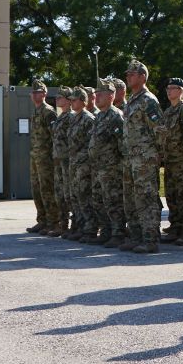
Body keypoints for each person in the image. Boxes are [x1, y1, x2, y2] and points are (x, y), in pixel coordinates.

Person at [123, 60, 164, 253]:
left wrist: (154, 156)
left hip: (145, 159)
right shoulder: (132, 100)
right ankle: (136, 235)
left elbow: (159, 131)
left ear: (142, 77)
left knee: (146, 198)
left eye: (132, 74)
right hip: (131, 157)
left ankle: (150, 239)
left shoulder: (149, 100)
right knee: (132, 198)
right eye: (128, 74)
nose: (128, 77)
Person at [87, 78, 127, 246]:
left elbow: (122, 144)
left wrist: (119, 167)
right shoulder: (99, 115)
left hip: (111, 168)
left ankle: (118, 233)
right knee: (98, 200)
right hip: (98, 167)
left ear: (111, 96)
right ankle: (106, 230)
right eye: (96, 94)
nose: (97, 97)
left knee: (113, 201)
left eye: (101, 94)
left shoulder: (115, 116)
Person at [159, 77, 183, 245]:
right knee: (172, 196)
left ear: (182, 91)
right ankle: (176, 228)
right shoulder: (168, 112)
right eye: (168, 88)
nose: (169, 91)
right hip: (170, 162)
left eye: (173, 88)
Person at [26, 80, 61, 235]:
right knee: (36, 189)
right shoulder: (35, 111)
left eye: (38, 92)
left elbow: (55, 136)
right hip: (35, 156)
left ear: (45, 94)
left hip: (46, 158)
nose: (35, 95)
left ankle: (53, 221)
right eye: (33, 93)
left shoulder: (48, 112)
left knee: (47, 189)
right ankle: (42, 220)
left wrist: (54, 156)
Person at [66, 87, 98, 242]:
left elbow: (91, 144)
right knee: (76, 197)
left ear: (83, 101)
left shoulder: (88, 119)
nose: (71, 102)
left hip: (84, 165)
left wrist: (83, 160)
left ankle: (90, 229)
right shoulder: (74, 118)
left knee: (85, 196)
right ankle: (79, 227)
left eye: (74, 100)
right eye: (70, 100)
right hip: (74, 163)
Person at [50, 91, 73, 238]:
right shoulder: (60, 117)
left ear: (68, 100)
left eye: (60, 97)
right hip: (58, 159)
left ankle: (72, 225)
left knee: (69, 193)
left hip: (67, 160)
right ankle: (62, 225)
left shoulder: (71, 117)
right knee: (59, 193)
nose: (57, 100)